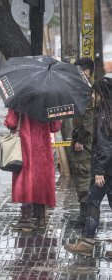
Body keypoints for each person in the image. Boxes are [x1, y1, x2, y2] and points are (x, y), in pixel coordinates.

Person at [64, 77, 112, 258]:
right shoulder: (107, 111)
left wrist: (99, 171)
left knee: (93, 202)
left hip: (105, 170)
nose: (93, 96)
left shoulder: (104, 114)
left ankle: (87, 242)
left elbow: (105, 146)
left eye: (95, 93)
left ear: (101, 94)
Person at [5, 109, 62, 229]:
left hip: (25, 147)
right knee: (41, 179)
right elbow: (55, 127)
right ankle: (41, 218)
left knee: (25, 179)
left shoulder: (19, 99)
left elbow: (11, 122)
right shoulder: (49, 102)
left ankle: (26, 219)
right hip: (43, 150)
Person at [69, 57, 95, 226]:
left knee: (83, 175)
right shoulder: (84, 89)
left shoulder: (87, 91)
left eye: (78, 71)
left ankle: (86, 217)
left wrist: (81, 140)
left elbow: (89, 120)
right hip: (83, 138)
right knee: (82, 174)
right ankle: (85, 215)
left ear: (86, 72)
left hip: (84, 142)